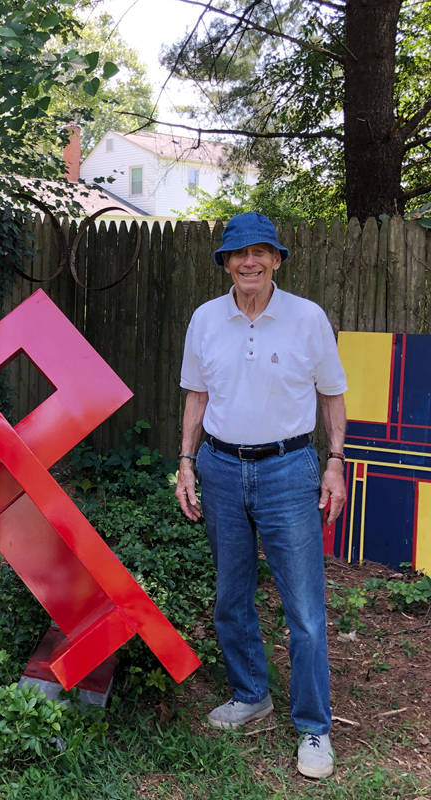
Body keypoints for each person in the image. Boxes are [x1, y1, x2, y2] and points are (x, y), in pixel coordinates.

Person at [174, 212, 347, 779]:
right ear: (225, 262)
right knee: (231, 596)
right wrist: (186, 462)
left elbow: (333, 396)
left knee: (304, 608)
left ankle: (314, 729)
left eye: (260, 252)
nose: (249, 261)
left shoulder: (306, 318)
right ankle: (251, 693)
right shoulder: (205, 319)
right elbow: (196, 396)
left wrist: (336, 464)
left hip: (288, 469)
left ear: (276, 259)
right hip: (220, 468)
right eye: (237, 253)